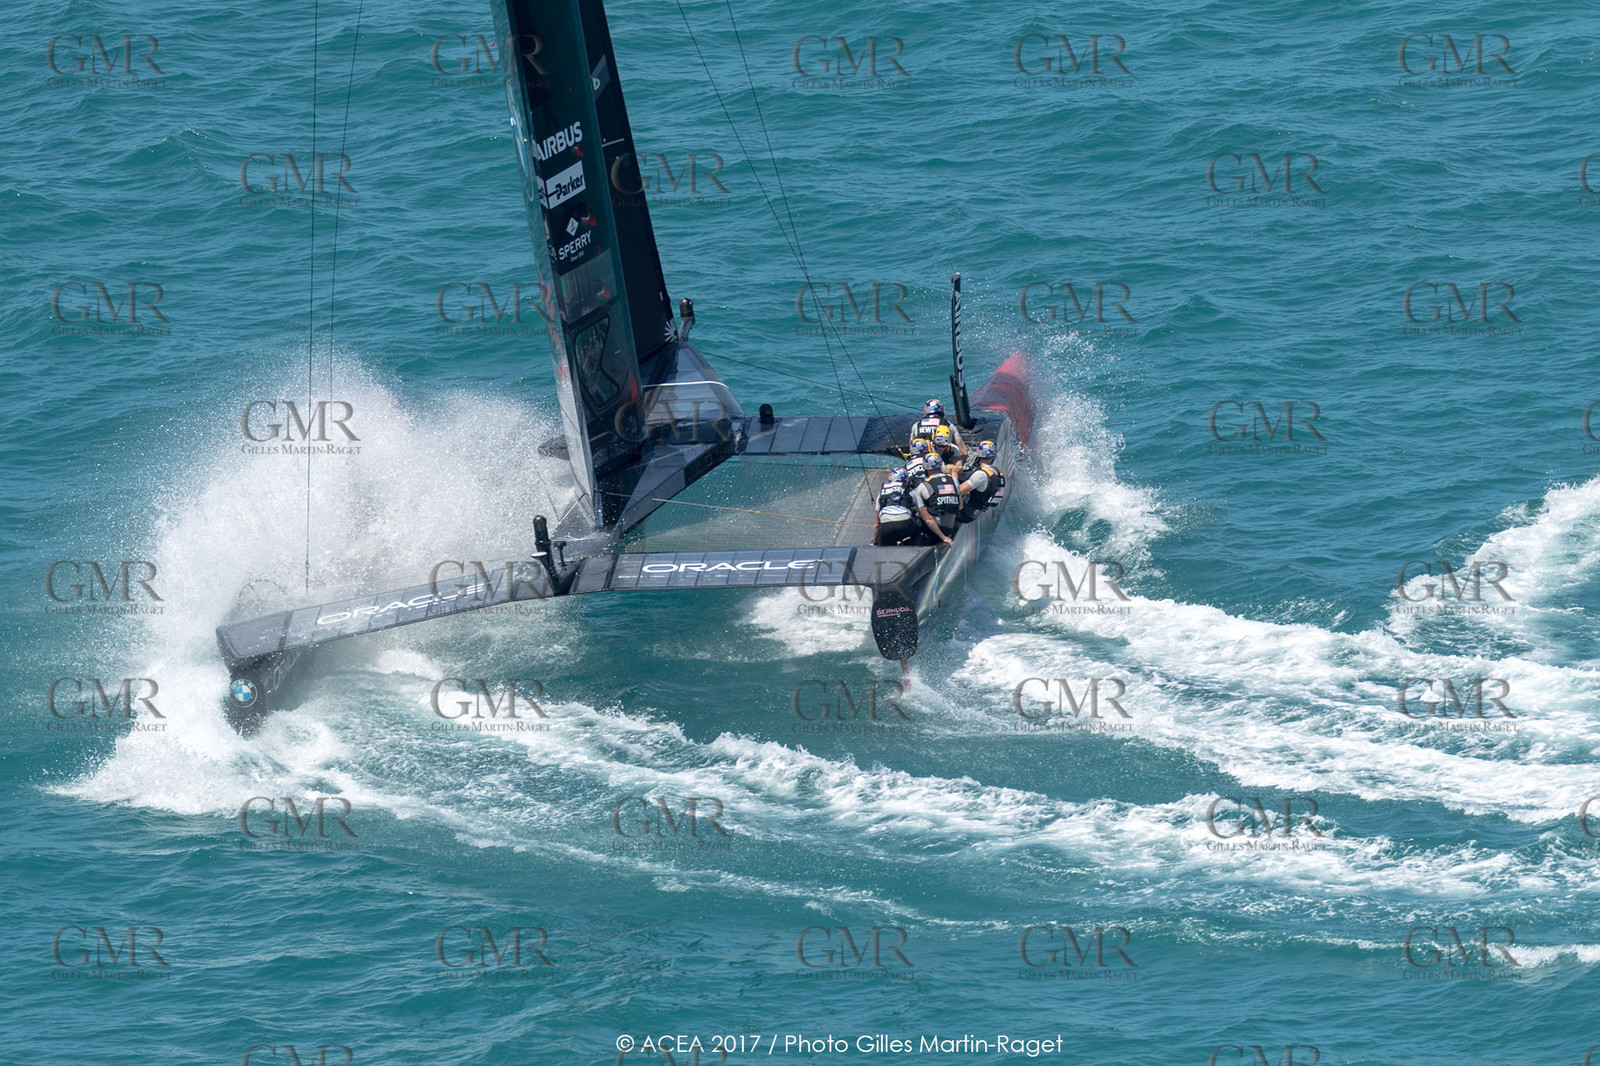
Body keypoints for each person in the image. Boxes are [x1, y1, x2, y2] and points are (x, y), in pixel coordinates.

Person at [910, 457, 961, 548]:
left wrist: (943, 537)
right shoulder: (954, 481)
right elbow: (960, 506)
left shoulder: (923, 486)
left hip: (935, 530)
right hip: (950, 527)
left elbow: (927, 519)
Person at [957, 440, 1004, 523]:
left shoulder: (980, 475)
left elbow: (958, 491)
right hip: (977, 511)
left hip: (965, 514)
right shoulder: (997, 472)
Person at [872, 469, 918, 546]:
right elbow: (920, 510)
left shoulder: (882, 493)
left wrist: (874, 541)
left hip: (886, 526)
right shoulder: (910, 490)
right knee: (917, 532)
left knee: (884, 544)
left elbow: (876, 524)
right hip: (905, 524)